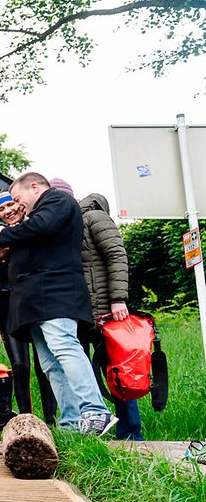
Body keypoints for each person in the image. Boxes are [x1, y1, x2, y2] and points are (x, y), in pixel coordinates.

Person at [0, 173, 116, 435]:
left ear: (34, 187)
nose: (17, 205)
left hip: (55, 294)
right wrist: (5, 255)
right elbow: (35, 246)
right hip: (34, 301)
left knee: (64, 347)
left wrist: (5, 234)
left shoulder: (57, 201)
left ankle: (96, 411)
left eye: (18, 198)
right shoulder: (36, 218)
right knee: (51, 363)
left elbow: (41, 227)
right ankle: (70, 424)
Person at [66, 179, 143, 440]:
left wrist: (118, 298)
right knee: (83, 375)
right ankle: (92, 431)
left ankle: (131, 434)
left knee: (118, 374)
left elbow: (116, 255)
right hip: (77, 312)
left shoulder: (94, 217)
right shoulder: (67, 225)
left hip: (105, 312)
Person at [0, 191, 57, 423]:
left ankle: (51, 421)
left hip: (37, 303)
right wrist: (1, 258)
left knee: (44, 364)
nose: (7, 210)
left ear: (20, 205)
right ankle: (26, 420)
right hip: (10, 305)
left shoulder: (34, 227)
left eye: (10, 204)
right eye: (1, 209)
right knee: (20, 365)